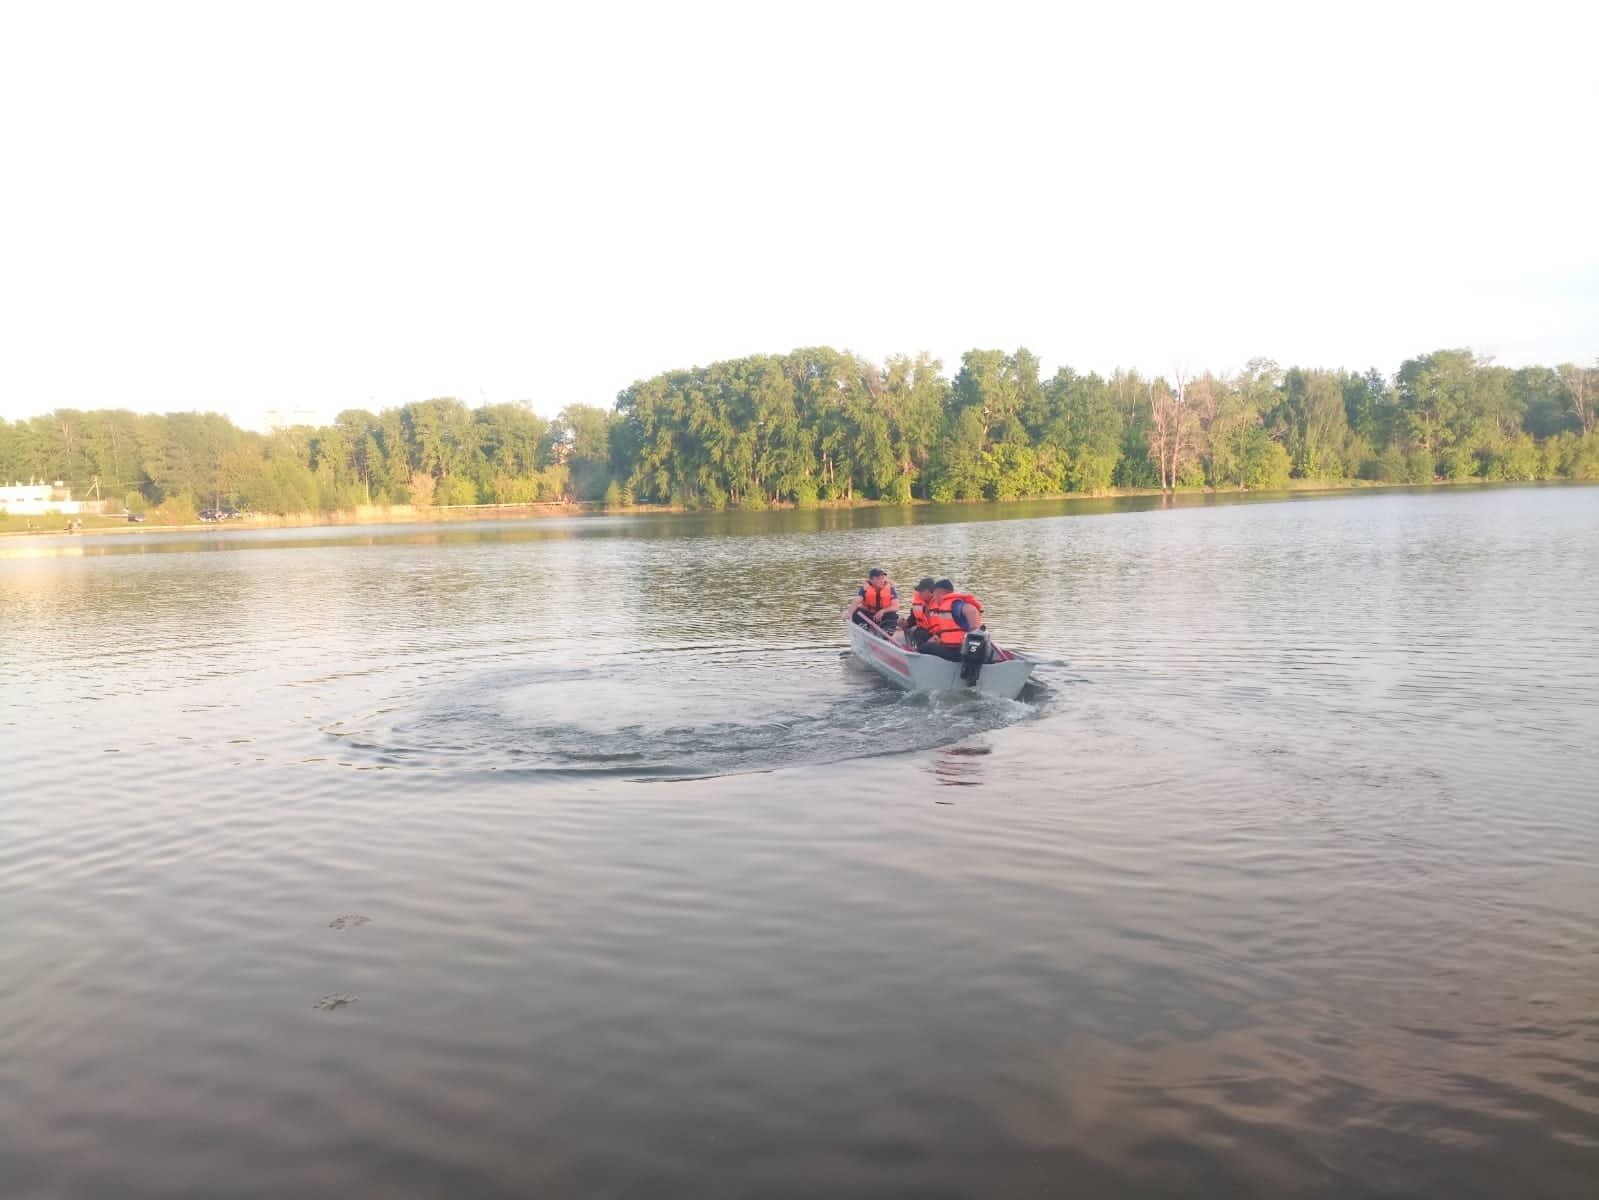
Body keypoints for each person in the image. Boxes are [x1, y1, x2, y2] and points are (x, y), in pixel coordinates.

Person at [917, 578, 985, 661]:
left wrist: (974, 631)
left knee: (924, 648)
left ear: (939, 592)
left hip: (956, 651)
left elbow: (972, 610)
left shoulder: (954, 604)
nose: (934, 598)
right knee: (929, 643)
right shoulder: (950, 604)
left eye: (934, 595)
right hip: (955, 648)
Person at [849, 568, 900, 632]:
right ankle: (865, 627)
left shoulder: (890, 588)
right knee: (856, 611)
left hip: (883, 616)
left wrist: (883, 611)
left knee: (892, 615)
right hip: (869, 614)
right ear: (871, 580)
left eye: (883, 578)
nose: (882, 581)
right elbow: (856, 602)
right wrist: (850, 615)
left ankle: (888, 631)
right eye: (878, 579)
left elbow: (896, 607)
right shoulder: (865, 588)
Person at [901, 577, 937, 648]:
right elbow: (913, 618)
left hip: (939, 635)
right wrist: (906, 623)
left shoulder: (940, 603)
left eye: (921, 591)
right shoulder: (919, 602)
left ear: (928, 591)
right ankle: (922, 651)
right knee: (919, 632)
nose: (919, 593)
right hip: (925, 632)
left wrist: (937, 636)